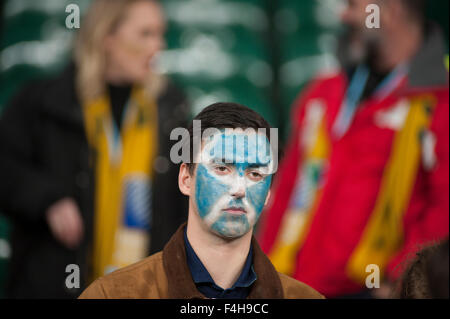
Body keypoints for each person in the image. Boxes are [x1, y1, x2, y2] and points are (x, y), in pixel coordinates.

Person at [258, 0, 449, 298]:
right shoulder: (324, 92)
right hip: (294, 285)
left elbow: (443, 209)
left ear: (392, 9)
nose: (343, 15)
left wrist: (399, 279)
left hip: (369, 289)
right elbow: (287, 190)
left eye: (353, 5)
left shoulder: (440, 100)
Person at [0, 0, 189, 298]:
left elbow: (185, 205)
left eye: (160, 34)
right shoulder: (42, 102)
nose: (158, 46)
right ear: (107, 37)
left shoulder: (172, 107)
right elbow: (6, 169)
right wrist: (48, 198)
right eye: (145, 34)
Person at [78, 102, 324, 299]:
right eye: (221, 168)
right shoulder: (112, 295)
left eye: (255, 174)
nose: (239, 189)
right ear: (186, 178)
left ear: (269, 193)